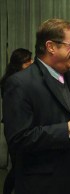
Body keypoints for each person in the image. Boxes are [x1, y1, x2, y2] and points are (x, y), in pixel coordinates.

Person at [2, 19, 70, 194]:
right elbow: (18, 139)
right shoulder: (20, 83)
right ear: (50, 47)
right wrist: (66, 130)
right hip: (43, 185)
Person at [1, 48, 33, 194]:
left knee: (20, 166)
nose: (31, 63)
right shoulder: (13, 81)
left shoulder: (23, 78)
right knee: (18, 167)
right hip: (15, 128)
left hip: (19, 127)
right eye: (27, 61)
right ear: (19, 63)